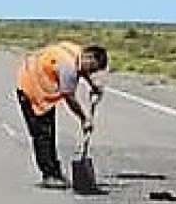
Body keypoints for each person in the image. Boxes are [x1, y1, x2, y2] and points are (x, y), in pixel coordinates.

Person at [15, 40, 108, 187]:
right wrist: (85, 119)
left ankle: (55, 172)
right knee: (43, 134)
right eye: (92, 69)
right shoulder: (68, 68)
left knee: (49, 131)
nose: (90, 73)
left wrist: (92, 85)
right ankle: (49, 175)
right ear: (89, 57)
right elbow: (69, 96)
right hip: (31, 89)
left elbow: (82, 70)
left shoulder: (76, 51)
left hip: (39, 79)